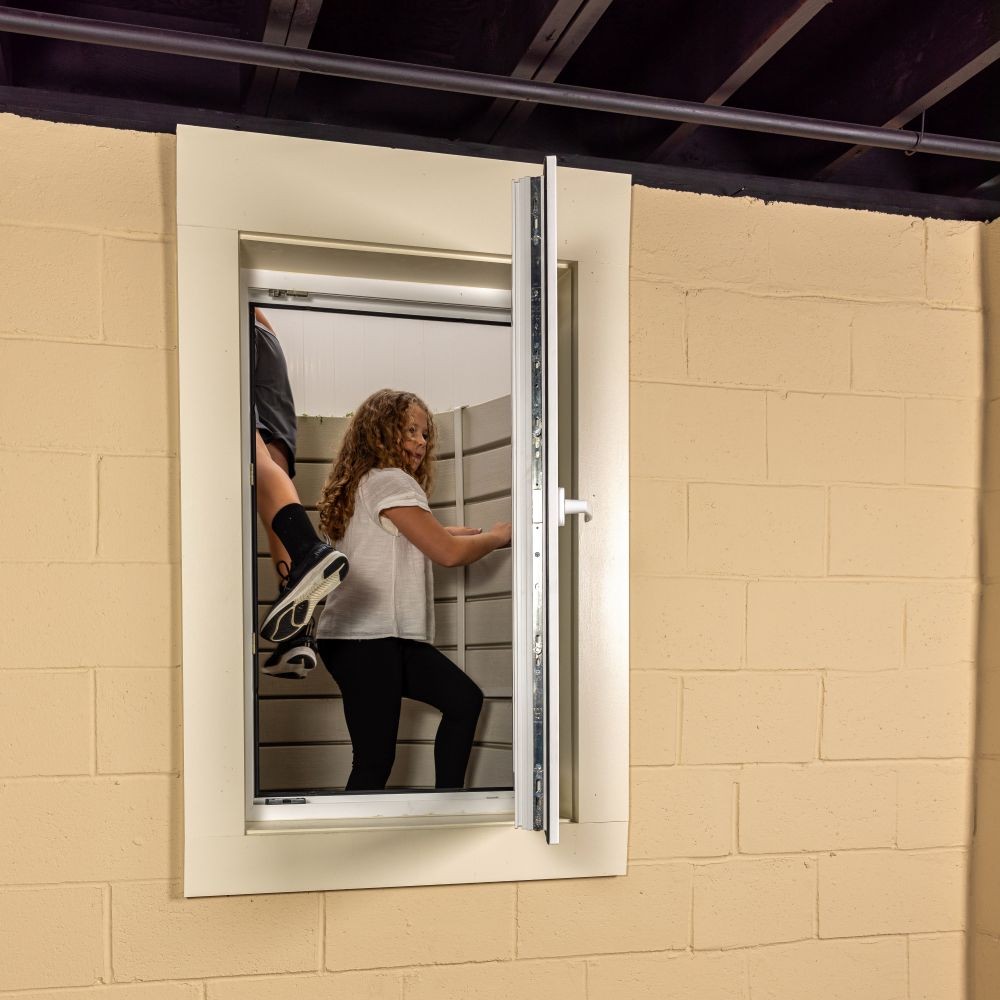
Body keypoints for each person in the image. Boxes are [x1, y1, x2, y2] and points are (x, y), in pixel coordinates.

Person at [314, 389, 512, 791]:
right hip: (366, 639)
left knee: (463, 700)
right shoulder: (390, 482)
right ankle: (353, 849)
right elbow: (447, 551)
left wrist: (462, 532)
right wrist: (497, 537)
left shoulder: (367, 483)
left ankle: (447, 807)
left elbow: (414, 537)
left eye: (424, 434)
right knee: (374, 759)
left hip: (380, 638)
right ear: (381, 432)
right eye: (410, 430)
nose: (421, 442)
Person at [252, 308, 349, 678]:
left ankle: (309, 550)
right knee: (269, 472)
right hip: (267, 342)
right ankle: (296, 635)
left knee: (242, 444)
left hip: (239, 326)